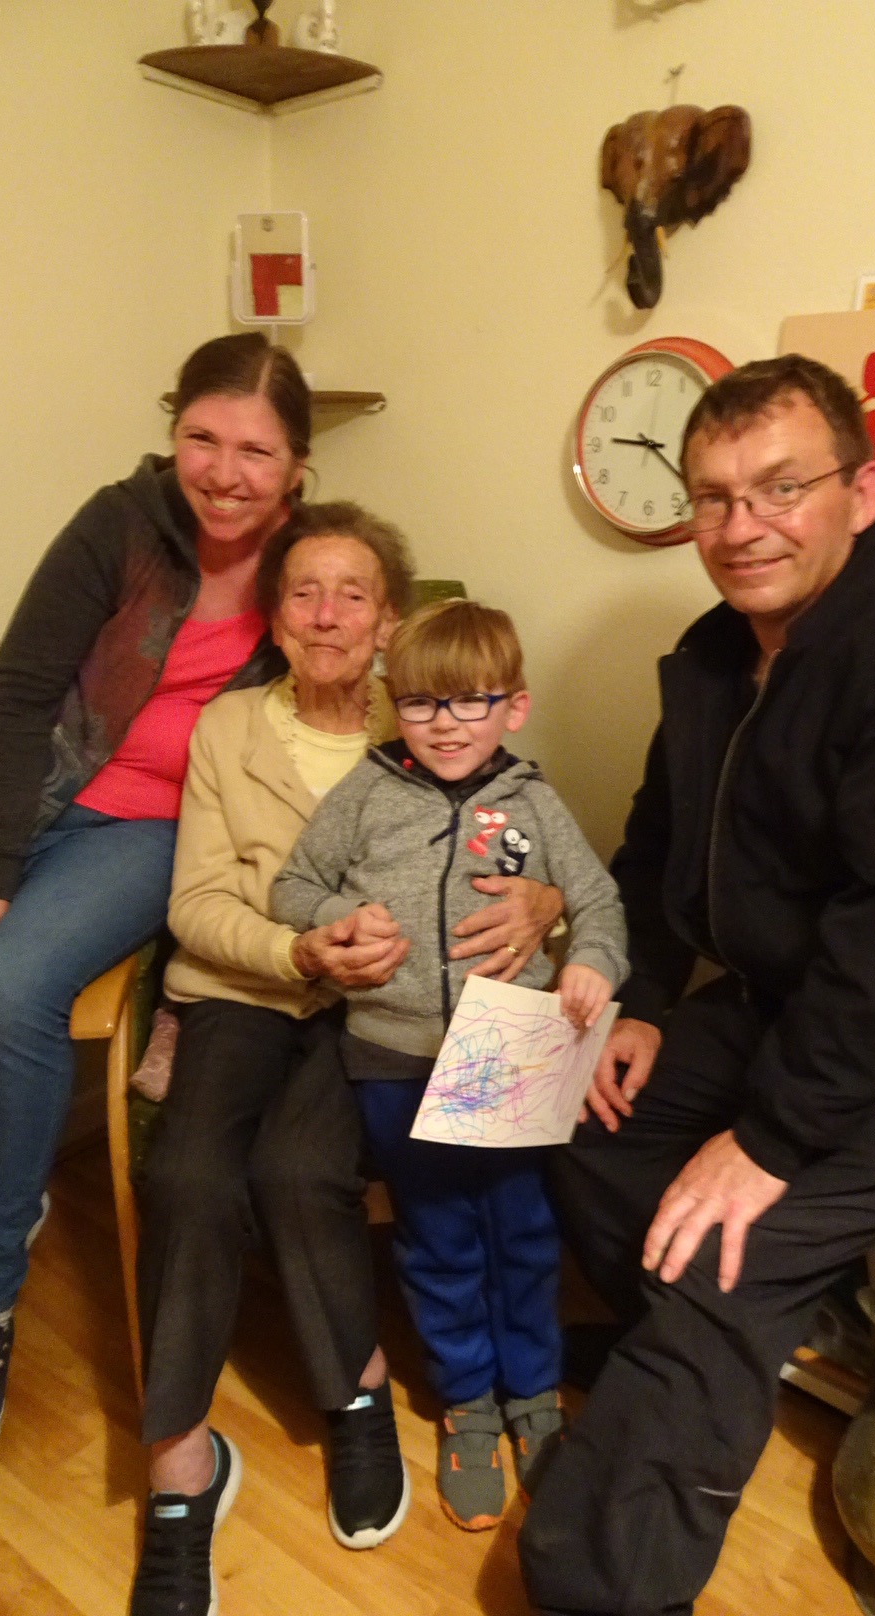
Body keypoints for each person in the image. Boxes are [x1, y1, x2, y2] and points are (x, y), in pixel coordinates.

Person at [518, 353, 875, 1616]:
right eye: (714, 496)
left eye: (781, 487)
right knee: (579, 1117)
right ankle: (688, 1353)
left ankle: (602, 1584)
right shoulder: (713, 655)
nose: (742, 525)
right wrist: (638, 1001)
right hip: (788, 1002)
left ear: (866, 489)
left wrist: (769, 1141)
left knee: (726, 1250)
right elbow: (654, 843)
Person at [131, 534, 566, 1614]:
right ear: (276, 618)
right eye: (304, 594)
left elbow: (523, 835)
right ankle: (181, 1467)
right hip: (248, 985)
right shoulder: (229, 727)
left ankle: (357, 1392)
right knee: (184, 1172)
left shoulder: (425, 712)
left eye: (353, 595)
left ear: (387, 623)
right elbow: (196, 901)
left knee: (298, 1169)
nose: (327, 614)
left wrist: (551, 901)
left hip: (377, 1012)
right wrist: (296, 949)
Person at [0, 331, 309, 1489]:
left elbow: (353, 684)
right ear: (172, 434)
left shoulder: (307, 562)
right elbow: (14, 699)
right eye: (203, 437)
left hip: (157, 830)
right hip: (40, 800)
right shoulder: (119, 525)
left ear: (297, 467)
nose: (224, 472)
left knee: (7, 990)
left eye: (255, 450)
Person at [271, 598, 629, 1532]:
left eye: (472, 701)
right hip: (392, 1057)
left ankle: (535, 1394)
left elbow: (598, 902)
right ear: (393, 703)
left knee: (522, 1231)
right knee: (437, 1239)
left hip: (511, 1050)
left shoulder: (534, 800)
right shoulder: (366, 791)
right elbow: (293, 885)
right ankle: (467, 1400)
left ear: (514, 706)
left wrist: (592, 961)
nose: (445, 724)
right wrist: (337, 920)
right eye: (422, 702)